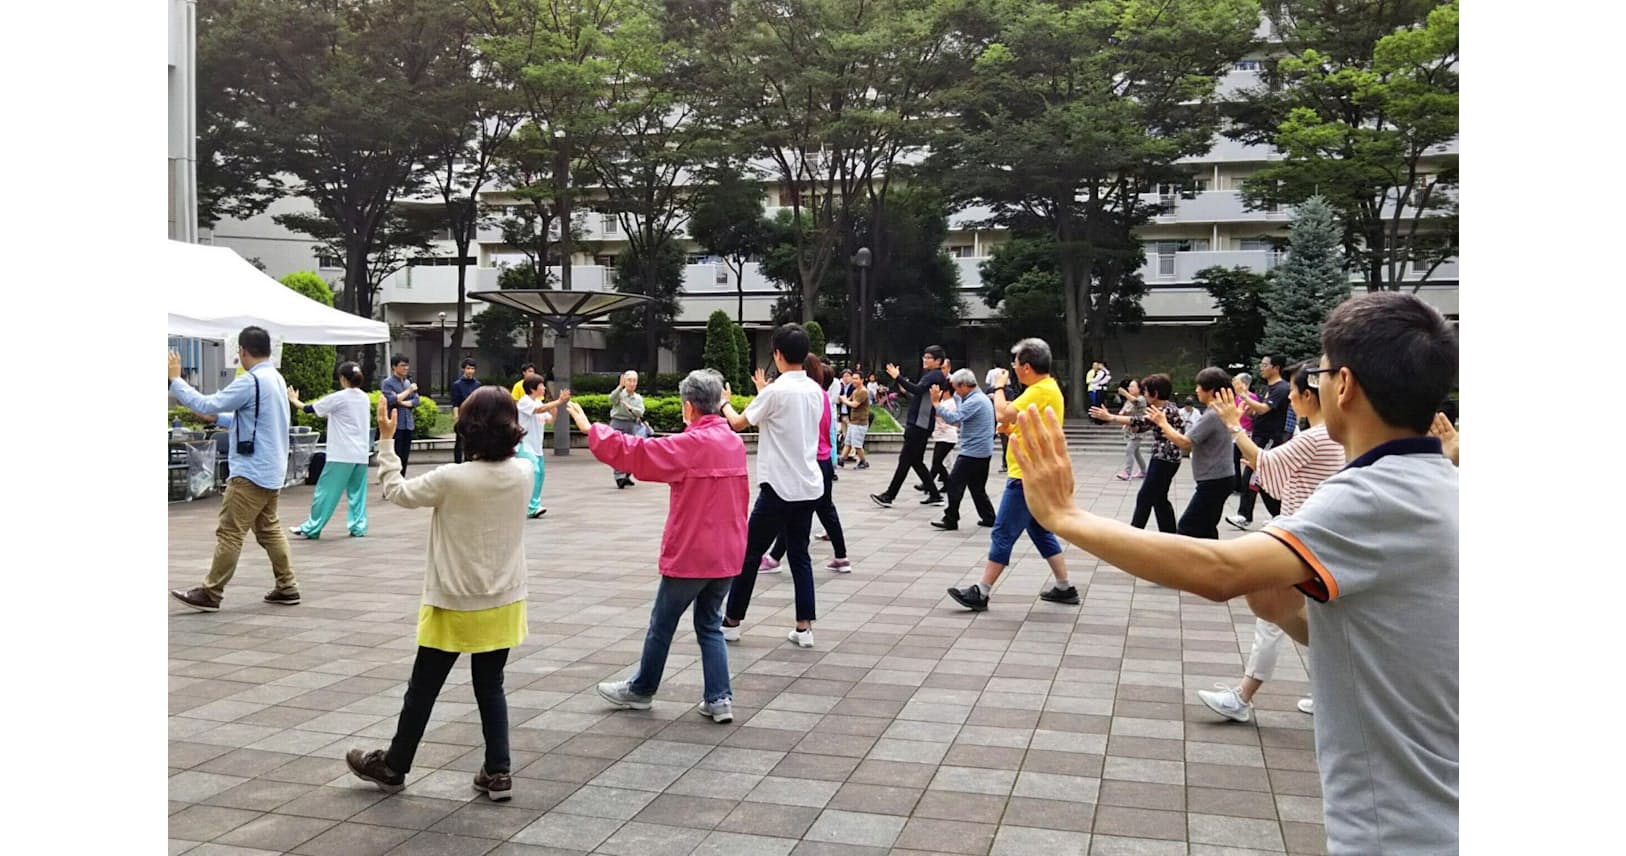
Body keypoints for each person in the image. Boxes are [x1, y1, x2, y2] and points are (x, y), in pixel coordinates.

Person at [1010, 291, 1459, 855]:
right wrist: (1288, 615)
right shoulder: (1438, 482)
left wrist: (1064, 516)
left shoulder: (1373, 494)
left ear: (1342, 385)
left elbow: (1218, 571)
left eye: (1319, 373)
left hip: (1403, 829)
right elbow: (1388, 652)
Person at [345, 389, 532, 801]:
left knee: (423, 688)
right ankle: (498, 771)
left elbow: (398, 492)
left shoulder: (452, 479)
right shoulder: (524, 472)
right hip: (504, 598)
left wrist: (386, 441)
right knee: (491, 685)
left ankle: (394, 765)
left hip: (453, 599)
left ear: (467, 430)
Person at [566, 372, 749, 723]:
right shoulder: (732, 443)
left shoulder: (691, 444)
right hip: (727, 552)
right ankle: (719, 698)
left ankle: (642, 690)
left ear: (689, 407)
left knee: (662, 623)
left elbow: (639, 453)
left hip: (692, 553)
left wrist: (592, 429)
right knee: (709, 624)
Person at [1195, 364, 1346, 723]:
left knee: (1276, 617)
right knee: (1304, 621)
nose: (1289, 399)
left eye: (1293, 393)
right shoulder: (1326, 435)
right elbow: (1274, 477)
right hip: (1305, 537)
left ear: (1308, 395)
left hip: (1300, 541)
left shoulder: (1316, 436)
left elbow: (1265, 464)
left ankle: (1243, 698)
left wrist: (1234, 425)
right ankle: (1332, 695)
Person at [168, 327, 301, 611]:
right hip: (272, 468)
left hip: (250, 472)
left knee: (230, 532)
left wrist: (176, 380)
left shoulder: (251, 381)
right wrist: (222, 417)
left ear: (242, 351)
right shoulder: (275, 378)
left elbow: (207, 403)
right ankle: (287, 586)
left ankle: (211, 592)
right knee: (269, 530)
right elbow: (256, 418)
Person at [946, 338, 1077, 611]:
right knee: (1039, 531)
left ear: (1026, 367)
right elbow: (1023, 422)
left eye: (1015, 364)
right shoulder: (1046, 389)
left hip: (1026, 475)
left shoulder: (1040, 390)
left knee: (1003, 532)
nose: (1013, 369)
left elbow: (1003, 413)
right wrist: (1012, 430)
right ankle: (1065, 587)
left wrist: (999, 387)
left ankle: (981, 592)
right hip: (1036, 471)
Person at [718, 324, 826, 647]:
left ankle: (732, 621)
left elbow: (737, 422)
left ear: (777, 354)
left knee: (749, 554)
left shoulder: (776, 392)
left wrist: (724, 401)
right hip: (809, 486)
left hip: (779, 487)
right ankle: (804, 627)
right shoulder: (814, 392)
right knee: (800, 555)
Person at [760, 357, 854, 574]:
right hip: (821, 461)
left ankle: (774, 558)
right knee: (818, 511)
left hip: (811, 461)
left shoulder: (809, 396)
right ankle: (839, 556)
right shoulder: (817, 395)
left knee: (796, 511)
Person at [1141, 368, 1234, 540]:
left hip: (1214, 481)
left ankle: (1183, 565)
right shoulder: (1220, 410)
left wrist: (1162, 422)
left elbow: (1185, 443)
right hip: (1220, 478)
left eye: (1200, 386)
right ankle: (1213, 564)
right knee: (1206, 529)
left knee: (1187, 526)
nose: (1196, 390)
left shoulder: (1212, 415)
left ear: (1211, 390)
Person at [287, 361, 371, 539]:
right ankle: (358, 526)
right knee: (357, 494)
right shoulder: (364, 397)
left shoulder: (339, 397)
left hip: (342, 454)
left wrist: (294, 401)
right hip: (361, 454)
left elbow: (311, 409)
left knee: (325, 492)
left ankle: (312, 527)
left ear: (342, 378)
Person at [1091, 375, 1185, 533]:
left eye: (1146, 392)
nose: (1144, 395)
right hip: (1168, 458)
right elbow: (1142, 425)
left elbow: (1141, 421)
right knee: (1159, 498)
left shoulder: (1165, 410)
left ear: (1155, 393)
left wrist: (1112, 417)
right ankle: (1169, 534)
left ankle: (1134, 534)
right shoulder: (1166, 407)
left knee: (1145, 497)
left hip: (1164, 458)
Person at [871, 346, 949, 507]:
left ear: (938, 361)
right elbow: (918, 396)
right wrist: (904, 388)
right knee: (916, 461)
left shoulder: (934, 376)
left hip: (919, 424)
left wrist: (898, 377)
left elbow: (918, 390)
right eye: (924, 357)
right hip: (922, 423)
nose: (924, 360)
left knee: (905, 460)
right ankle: (934, 494)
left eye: (928, 357)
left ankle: (889, 495)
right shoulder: (932, 375)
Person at [1228, 354, 1293, 529]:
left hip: (1271, 438)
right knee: (1262, 477)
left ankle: (1245, 515)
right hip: (1258, 436)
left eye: (1265, 365)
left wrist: (1243, 394)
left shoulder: (1282, 388)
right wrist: (1243, 407)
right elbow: (1255, 413)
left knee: (1252, 475)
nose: (1261, 367)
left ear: (1276, 368)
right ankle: (1278, 514)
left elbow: (1264, 409)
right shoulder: (1264, 389)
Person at [930, 369, 997, 531]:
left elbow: (954, 418)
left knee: (954, 484)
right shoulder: (977, 398)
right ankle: (989, 517)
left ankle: (951, 519)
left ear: (965, 385)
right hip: (982, 450)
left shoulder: (975, 401)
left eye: (956, 388)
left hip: (972, 452)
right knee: (977, 487)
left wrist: (936, 404)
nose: (955, 392)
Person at [515, 375, 569, 520]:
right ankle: (527, 506)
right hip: (524, 445)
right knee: (535, 471)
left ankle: (533, 506)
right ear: (533, 388)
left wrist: (554, 411)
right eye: (541, 385)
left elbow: (549, 420)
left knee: (540, 475)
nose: (544, 388)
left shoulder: (538, 402)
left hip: (537, 447)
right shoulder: (524, 402)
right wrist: (558, 401)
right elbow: (539, 410)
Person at [380, 354, 421, 475]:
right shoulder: (388, 383)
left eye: (407, 365)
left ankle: (401, 482)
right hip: (395, 425)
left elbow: (416, 401)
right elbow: (392, 400)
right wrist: (408, 392)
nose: (406, 368)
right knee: (394, 456)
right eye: (402, 365)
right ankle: (391, 483)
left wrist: (401, 401)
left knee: (404, 456)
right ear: (394, 367)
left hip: (408, 423)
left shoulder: (408, 382)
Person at [607, 370, 646, 489]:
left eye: (635, 381)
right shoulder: (620, 394)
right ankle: (619, 477)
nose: (632, 383)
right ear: (625, 381)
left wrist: (631, 408)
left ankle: (626, 475)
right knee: (618, 450)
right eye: (629, 380)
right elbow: (611, 399)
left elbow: (640, 412)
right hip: (617, 423)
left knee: (631, 451)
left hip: (631, 424)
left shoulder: (638, 398)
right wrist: (619, 387)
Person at [924, 389, 958, 497]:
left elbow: (938, 413)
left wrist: (934, 400)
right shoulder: (944, 402)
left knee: (937, 463)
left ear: (947, 391)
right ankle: (945, 484)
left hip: (947, 436)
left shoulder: (950, 403)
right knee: (937, 463)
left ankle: (940, 483)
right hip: (941, 436)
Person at [837, 372, 872, 469]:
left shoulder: (863, 392)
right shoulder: (855, 391)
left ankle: (863, 461)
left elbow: (854, 404)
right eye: (853, 378)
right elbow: (848, 399)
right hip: (853, 421)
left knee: (857, 445)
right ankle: (842, 459)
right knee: (848, 442)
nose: (854, 380)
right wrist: (842, 398)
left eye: (856, 378)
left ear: (862, 380)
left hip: (860, 422)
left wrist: (844, 400)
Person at [450, 358, 481, 464]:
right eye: (468, 368)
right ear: (464, 369)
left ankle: (470, 461)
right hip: (462, 415)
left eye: (472, 369)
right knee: (460, 440)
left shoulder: (477, 384)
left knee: (472, 440)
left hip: (474, 416)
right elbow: (455, 402)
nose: (470, 371)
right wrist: (456, 416)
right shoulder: (457, 384)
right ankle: (457, 463)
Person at [1117, 379, 1148, 480]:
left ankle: (1127, 472)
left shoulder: (1141, 399)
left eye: (1132, 386)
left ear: (1139, 389)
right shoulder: (1128, 401)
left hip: (1138, 429)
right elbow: (1123, 411)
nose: (1130, 388)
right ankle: (1144, 471)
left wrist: (1124, 393)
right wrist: (1122, 413)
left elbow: (1135, 402)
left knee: (1129, 449)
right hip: (1130, 428)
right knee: (1136, 452)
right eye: (1129, 386)